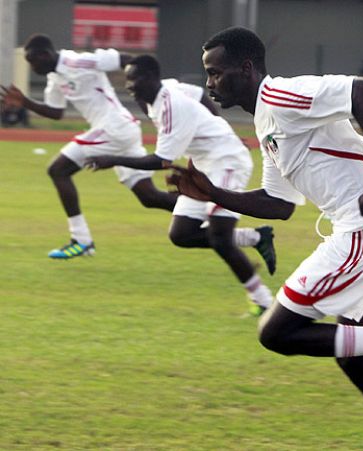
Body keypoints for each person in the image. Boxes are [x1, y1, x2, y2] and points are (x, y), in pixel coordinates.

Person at [167, 27, 363, 450]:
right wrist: (214, 193)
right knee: (352, 353)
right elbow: (278, 203)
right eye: (207, 74)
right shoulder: (267, 123)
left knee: (276, 333)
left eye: (216, 72)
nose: (210, 83)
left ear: (246, 69)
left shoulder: (281, 96)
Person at [84, 55, 276, 315]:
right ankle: (255, 237)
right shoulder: (163, 92)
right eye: (127, 80)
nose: (128, 85)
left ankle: (264, 301)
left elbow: (161, 160)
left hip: (227, 161)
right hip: (203, 165)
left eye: (134, 79)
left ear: (151, 78)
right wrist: (217, 127)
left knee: (220, 238)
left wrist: (112, 159)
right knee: (181, 234)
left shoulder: (170, 104)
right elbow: (199, 95)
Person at [0, 34, 176, 259]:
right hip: (120, 131)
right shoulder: (55, 78)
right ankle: (207, 211)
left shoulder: (79, 61)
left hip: (114, 127)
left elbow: (126, 58)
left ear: (44, 55)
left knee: (58, 170)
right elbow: (56, 112)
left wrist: (148, 91)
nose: (32, 68)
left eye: (32, 61)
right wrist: (25, 102)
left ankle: (81, 240)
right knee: (150, 197)